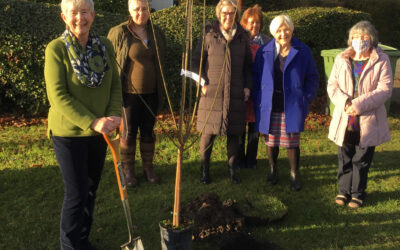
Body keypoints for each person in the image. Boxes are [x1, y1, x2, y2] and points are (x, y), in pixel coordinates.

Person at [44, 0, 122, 248]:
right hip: (69, 134)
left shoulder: (105, 46)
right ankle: (70, 245)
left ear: (93, 15)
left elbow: (116, 84)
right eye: (74, 13)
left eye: (84, 12)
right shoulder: (56, 49)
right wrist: (93, 121)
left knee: (90, 190)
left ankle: (82, 239)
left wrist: (113, 115)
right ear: (64, 17)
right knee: (77, 194)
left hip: (99, 132)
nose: (80, 18)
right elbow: (58, 96)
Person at [328, 21, 392, 208]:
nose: (359, 41)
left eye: (364, 37)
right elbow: (332, 85)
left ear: (371, 39)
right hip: (345, 117)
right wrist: (346, 103)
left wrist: (358, 105)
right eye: (356, 37)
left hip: (367, 120)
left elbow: (385, 89)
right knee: (345, 156)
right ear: (350, 40)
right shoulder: (342, 59)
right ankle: (343, 191)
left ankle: (357, 193)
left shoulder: (381, 60)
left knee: (361, 159)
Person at [253, 15, 319, 191]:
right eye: (279, 30)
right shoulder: (264, 51)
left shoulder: (302, 50)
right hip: (270, 102)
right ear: (273, 33)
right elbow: (256, 77)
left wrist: (307, 97)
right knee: (271, 140)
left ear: (292, 29)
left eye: (286, 29)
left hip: (292, 103)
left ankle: (294, 173)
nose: (283, 33)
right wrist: (258, 97)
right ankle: (273, 169)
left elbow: (312, 77)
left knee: (292, 141)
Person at [192, 0, 253, 184]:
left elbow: (248, 67)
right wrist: (201, 83)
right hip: (211, 93)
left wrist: (247, 86)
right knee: (208, 133)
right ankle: (205, 170)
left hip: (235, 93)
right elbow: (196, 62)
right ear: (219, 14)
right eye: (225, 13)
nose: (228, 16)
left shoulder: (243, 37)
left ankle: (233, 170)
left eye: (232, 13)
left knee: (234, 133)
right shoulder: (209, 35)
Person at [108, 0, 166, 187]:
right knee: (129, 132)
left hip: (152, 92)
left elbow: (161, 61)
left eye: (144, 9)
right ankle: (129, 171)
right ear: (130, 11)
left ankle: (148, 168)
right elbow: (110, 61)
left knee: (148, 131)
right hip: (128, 94)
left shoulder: (156, 32)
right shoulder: (120, 32)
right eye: (136, 9)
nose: (141, 13)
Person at [237, 4, 270, 169]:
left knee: (255, 125)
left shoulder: (267, 41)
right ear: (244, 23)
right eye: (251, 22)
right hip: (242, 87)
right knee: (240, 124)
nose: (254, 26)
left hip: (260, 90)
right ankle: (239, 159)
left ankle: (251, 159)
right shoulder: (238, 40)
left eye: (257, 23)